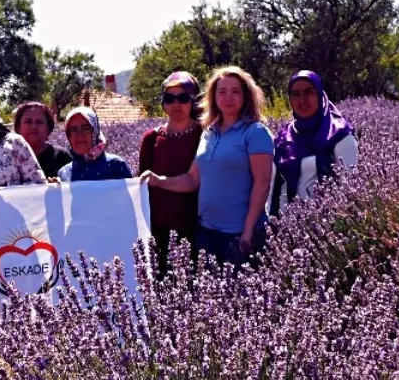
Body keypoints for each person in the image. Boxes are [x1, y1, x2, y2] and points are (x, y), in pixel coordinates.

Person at [142, 66, 273, 268]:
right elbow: (193, 179)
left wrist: (248, 230)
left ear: (246, 95)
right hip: (206, 232)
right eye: (222, 91)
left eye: (235, 91)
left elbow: (262, 183)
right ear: (213, 97)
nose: (228, 97)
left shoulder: (255, 132)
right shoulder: (209, 132)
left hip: (237, 233)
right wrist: (159, 181)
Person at [270, 70, 358, 216]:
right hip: (286, 225)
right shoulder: (284, 135)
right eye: (296, 94)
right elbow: (277, 184)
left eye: (309, 92)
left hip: (326, 226)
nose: (302, 100)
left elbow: (350, 189)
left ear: (320, 94)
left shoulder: (339, 134)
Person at [139, 71, 202, 272]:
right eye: (169, 98)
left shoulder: (205, 135)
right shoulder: (151, 138)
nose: (176, 104)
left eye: (183, 98)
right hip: (158, 229)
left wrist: (161, 181)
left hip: (195, 228)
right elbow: (141, 184)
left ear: (193, 101)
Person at [58, 106, 132, 182]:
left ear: (95, 132)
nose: (79, 135)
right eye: (73, 130)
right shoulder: (65, 173)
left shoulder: (115, 166)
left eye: (85, 128)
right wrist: (53, 189)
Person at [14, 100, 70, 179]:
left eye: (39, 122)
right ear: (18, 127)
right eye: (28, 121)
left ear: (48, 128)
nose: (33, 126)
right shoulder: (8, 157)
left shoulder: (62, 157)